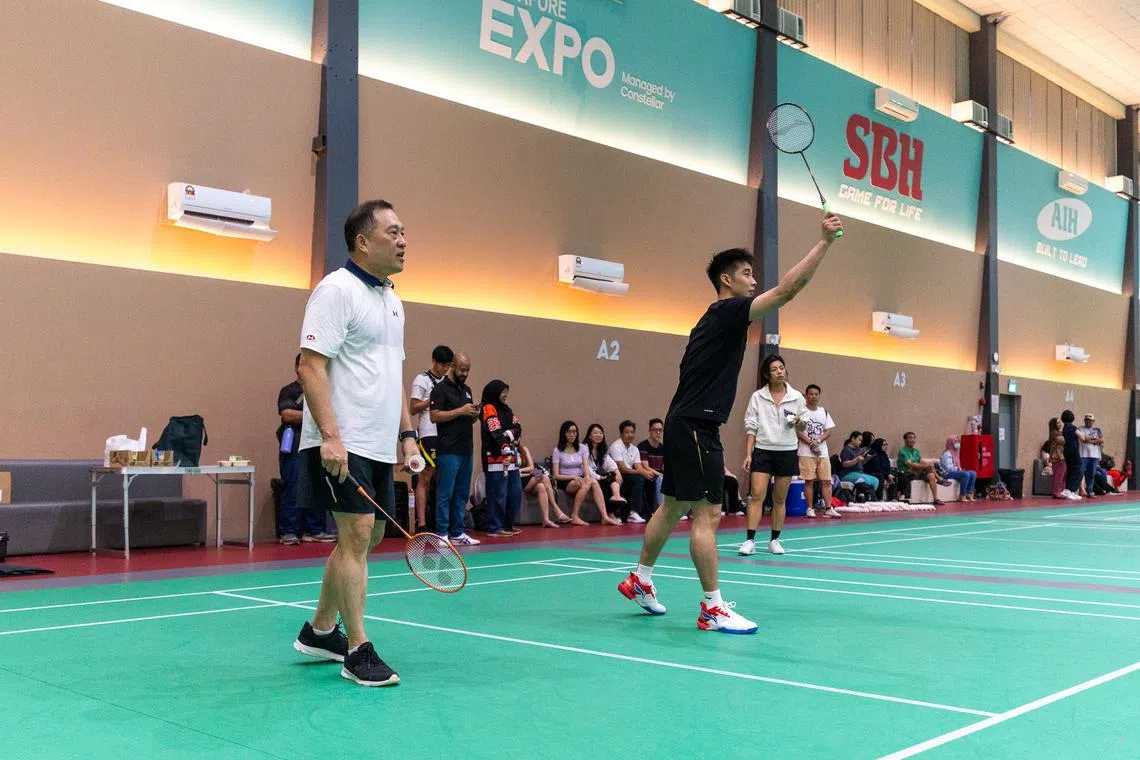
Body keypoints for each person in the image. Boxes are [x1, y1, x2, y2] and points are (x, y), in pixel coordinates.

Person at [617, 212, 844, 635]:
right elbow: (789, 290)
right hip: (697, 427)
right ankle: (711, 608)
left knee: (673, 507)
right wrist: (824, 243)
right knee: (708, 514)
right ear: (726, 280)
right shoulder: (727, 313)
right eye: (745, 273)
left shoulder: (709, 319)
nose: (753, 280)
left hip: (684, 422)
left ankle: (640, 580)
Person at [292, 199, 420, 687]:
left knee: (370, 537)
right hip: (341, 440)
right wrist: (330, 437)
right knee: (356, 534)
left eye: (404, 231)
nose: (404, 240)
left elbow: (394, 373)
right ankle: (356, 648)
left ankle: (320, 629)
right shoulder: (336, 290)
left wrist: (407, 435)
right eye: (393, 232)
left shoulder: (392, 299)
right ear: (363, 242)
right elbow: (310, 365)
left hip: (378, 441)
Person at [739, 355, 806, 556]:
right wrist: (748, 454)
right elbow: (751, 426)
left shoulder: (796, 397)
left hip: (786, 451)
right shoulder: (758, 397)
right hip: (763, 451)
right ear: (767, 375)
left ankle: (775, 540)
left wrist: (798, 422)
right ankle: (750, 540)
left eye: (782, 368)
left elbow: (804, 424)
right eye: (775, 369)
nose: (779, 371)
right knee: (757, 495)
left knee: (779, 499)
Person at [277, 353, 336, 544]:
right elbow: (287, 415)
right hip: (294, 443)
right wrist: (315, 415)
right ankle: (289, 531)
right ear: (297, 367)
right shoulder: (289, 390)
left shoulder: (323, 391)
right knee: (293, 486)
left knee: (318, 487)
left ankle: (316, 530)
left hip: (318, 443)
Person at [429, 351, 482, 545]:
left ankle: (457, 532)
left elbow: (468, 416)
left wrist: (474, 413)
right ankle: (442, 533)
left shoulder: (466, 390)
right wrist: (461, 410)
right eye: (462, 370)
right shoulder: (440, 389)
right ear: (452, 366)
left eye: (468, 370)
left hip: (466, 449)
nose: (465, 374)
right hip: (448, 450)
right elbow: (434, 416)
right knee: (445, 493)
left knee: (461, 493)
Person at [408, 345, 453, 532]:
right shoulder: (422, 380)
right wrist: (432, 400)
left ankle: (440, 523)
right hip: (428, 433)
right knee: (425, 477)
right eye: (442, 365)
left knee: (443, 478)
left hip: (446, 434)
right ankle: (421, 524)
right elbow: (413, 408)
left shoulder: (448, 382)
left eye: (448, 366)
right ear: (434, 361)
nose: (445, 369)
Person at [552, 420, 619, 525]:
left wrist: (587, 476)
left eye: (574, 432)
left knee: (593, 482)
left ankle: (605, 516)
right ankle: (575, 516)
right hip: (565, 480)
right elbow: (556, 475)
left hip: (580, 477)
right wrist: (573, 477)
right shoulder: (558, 450)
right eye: (569, 432)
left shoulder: (582, 448)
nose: (572, 434)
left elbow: (586, 467)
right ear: (563, 433)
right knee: (588, 482)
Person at [480, 379, 522, 538]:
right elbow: (494, 430)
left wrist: (509, 434)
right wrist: (503, 442)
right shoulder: (488, 408)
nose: (505, 395)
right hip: (495, 457)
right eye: (503, 392)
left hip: (511, 457)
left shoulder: (507, 409)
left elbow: (518, 427)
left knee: (514, 492)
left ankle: (507, 524)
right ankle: (494, 527)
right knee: (498, 493)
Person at [797, 383, 839, 519]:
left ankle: (828, 508)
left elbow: (828, 431)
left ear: (819, 396)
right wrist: (811, 443)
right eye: (811, 394)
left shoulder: (823, 412)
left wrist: (818, 441)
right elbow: (798, 432)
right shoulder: (802, 412)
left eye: (816, 394)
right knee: (809, 481)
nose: (813, 397)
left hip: (823, 452)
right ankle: (810, 508)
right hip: (806, 452)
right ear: (806, 396)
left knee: (826, 481)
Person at [609, 420, 652, 524]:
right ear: (621, 433)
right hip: (617, 474)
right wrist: (642, 473)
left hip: (629, 474)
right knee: (639, 479)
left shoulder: (635, 449)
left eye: (632, 432)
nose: (630, 435)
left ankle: (650, 513)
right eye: (627, 432)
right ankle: (633, 513)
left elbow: (638, 467)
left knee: (650, 479)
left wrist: (647, 473)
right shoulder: (616, 446)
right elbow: (622, 468)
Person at [519, 444, 571, 528]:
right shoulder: (507, 450)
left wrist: (522, 471)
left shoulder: (524, 449)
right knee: (543, 477)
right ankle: (555, 508)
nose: (516, 440)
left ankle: (546, 520)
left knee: (541, 486)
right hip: (520, 479)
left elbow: (532, 467)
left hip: (529, 475)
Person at [897, 432, 945, 506]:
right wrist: (925, 466)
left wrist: (928, 464)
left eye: (914, 438)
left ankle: (936, 498)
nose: (912, 440)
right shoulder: (903, 451)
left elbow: (921, 461)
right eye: (910, 438)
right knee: (927, 467)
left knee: (931, 475)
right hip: (907, 473)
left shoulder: (916, 451)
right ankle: (939, 479)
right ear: (905, 440)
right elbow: (910, 465)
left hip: (917, 472)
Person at [637, 418, 666, 515]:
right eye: (655, 430)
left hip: (660, 475)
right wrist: (660, 475)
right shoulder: (643, 446)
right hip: (649, 475)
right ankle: (660, 510)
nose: (658, 432)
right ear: (649, 430)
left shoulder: (663, 448)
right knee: (660, 480)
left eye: (660, 430)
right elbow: (645, 467)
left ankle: (677, 511)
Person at [939, 436, 977, 502]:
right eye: (955, 442)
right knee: (965, 474)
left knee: (973, 473)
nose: (957, 444)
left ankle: (969, 493)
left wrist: (959, 469)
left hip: (955, 471)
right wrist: (959, 470)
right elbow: (949, 468)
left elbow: (957, 466)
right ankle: (962, 496)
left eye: (958, 442)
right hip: (947, 474)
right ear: (951, 443)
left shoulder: (956, 453)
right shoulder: (946, 454)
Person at [1077, 414, 1104, 499]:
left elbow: (1101, 440)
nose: (1088, 421)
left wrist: (1091, 440)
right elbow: (1084, 440)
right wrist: (1095, 441)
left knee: (1091, 473)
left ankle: (1090, 491)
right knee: (1080, 472)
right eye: (1086, 420)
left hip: (1094, 455)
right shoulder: (1080, 429)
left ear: (1093, 421)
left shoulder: (1097, 430)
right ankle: (1076, 490)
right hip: (1083, 455)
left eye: (1090, 420)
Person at [1042, 417, 1069, 499]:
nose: (1060, 424)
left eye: (1060, 422)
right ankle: (1057, 492)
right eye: (1058, 423)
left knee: (1061, 475)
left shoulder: (1058, 432)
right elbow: (1063, 441)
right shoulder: (1054, 433)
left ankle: (1059, 491)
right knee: (1059, 476)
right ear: (1054, 424)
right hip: (1058, 457)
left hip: (1060, 456)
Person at [1060, 410, 1083, 500]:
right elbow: (1082, 437)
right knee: (1077, 469)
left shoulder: (1064, 428)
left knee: (1070, 470)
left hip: (1067, 451)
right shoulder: (1073, 427)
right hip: (1073, 451)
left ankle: (1070, 491)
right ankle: (1070, 489)